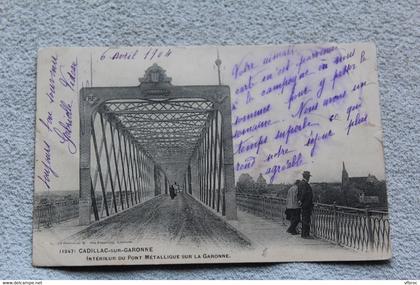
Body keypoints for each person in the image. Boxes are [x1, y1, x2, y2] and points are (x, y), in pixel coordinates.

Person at [298, 171, 314, 239]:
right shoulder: (305, 184)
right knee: (306, 219)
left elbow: (299, 194)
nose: (309, 178)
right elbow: (304, 193)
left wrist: (300, 201)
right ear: (307, 177)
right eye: (309, 177)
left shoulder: (300, 183)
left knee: (305, 219)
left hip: (304, 204)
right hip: (306, 204)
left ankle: (304, 234)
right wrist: (302, 200)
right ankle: (305, 235)